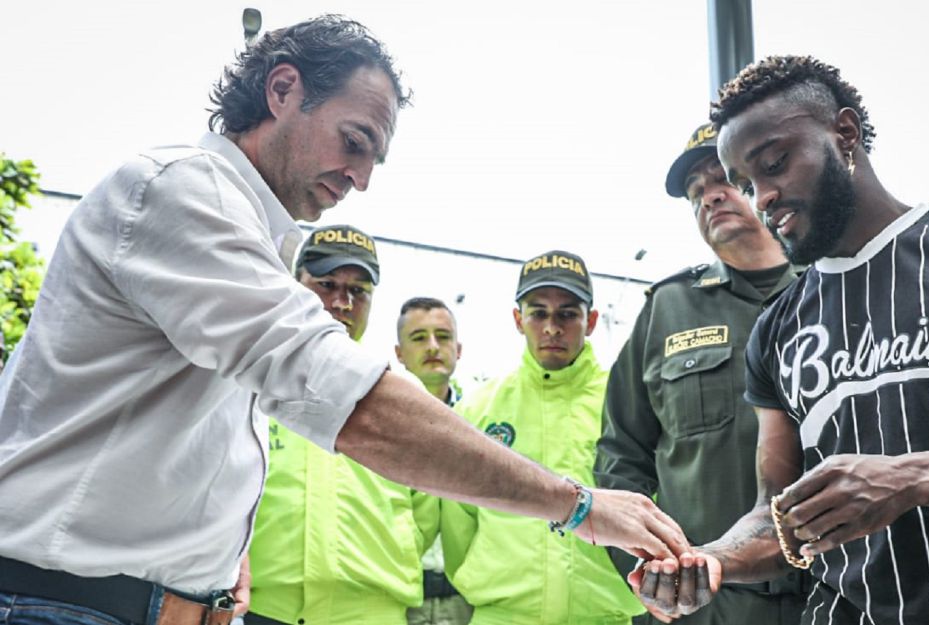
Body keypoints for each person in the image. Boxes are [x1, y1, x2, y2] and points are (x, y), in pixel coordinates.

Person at [0, 15, 689, 625]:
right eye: (353, 140)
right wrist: (578, 505)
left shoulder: (255, 240)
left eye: (374, 158)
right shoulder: (179, 193)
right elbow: (351, 402)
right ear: (282, 90)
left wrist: (214, 553)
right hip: (67, 603)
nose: (360, 178)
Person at [635, 55, 929, 625]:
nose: (762, 196)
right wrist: (709, 559)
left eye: (775, 164)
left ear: (844, 133)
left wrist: (914, 478)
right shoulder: (777, 329)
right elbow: (778, 516)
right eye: (748, 183)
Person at [594, 122, 806, 625]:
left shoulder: (833, 289)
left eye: (724, 180)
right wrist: (654, 572)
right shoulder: (667, 309)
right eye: (696, 194)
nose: (710, 199)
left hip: (834, 594)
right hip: (707, 603)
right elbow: (621, 457)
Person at [441, 251, 645, 625]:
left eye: (567, 314)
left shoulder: (626, 404)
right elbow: (458, 520)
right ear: (519, 320)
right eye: (538, 313)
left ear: (592, 321)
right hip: (501, 616)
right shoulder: (477, 410)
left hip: (604, 615)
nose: (552, 327)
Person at [246, 225, 431, 625]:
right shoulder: (250, 381)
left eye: (358, 291)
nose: (342, 302)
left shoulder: (401, 393)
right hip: (263, 608)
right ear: (295, 283)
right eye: (327, 284)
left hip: (371, 612)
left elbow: (428, 511)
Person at [396, 297, 474, 625]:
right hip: (400, 601)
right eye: (418, 337)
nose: (432, 347)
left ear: (458, 348)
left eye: (442, 337)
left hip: (467, 602)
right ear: (399, 354)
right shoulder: (378, 427)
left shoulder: (482, 423)